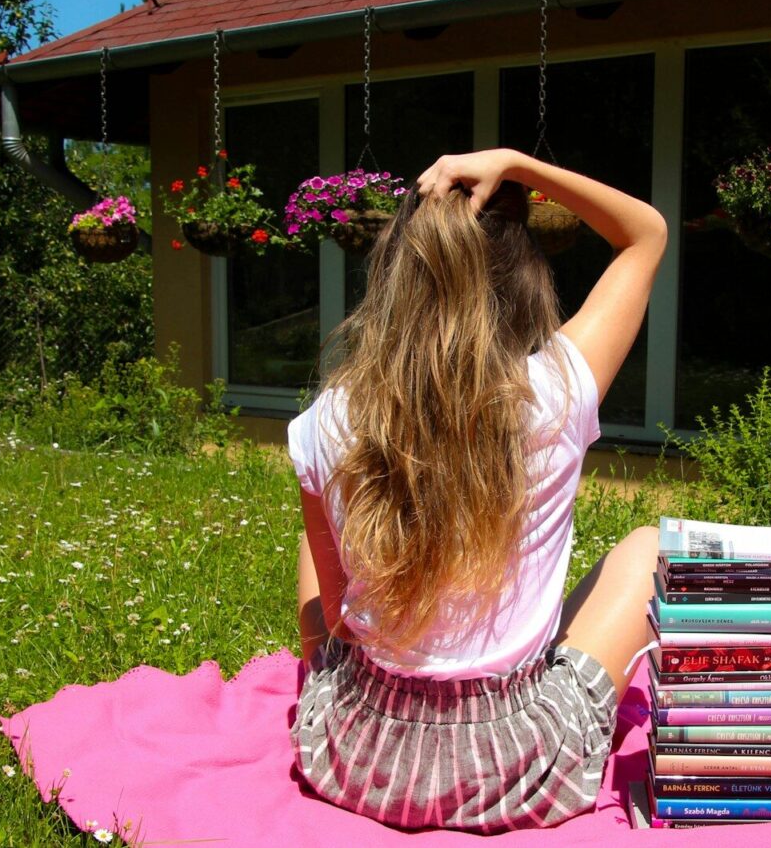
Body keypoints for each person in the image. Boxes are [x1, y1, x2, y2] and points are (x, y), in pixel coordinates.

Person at [286, 147, 667, 833]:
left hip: (355, 757)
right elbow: (645, 233)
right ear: (523, 280)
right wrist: (522, 165)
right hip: (515, 766)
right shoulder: (557, 393)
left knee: (320, 493)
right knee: (649, 548)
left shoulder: (327, 421)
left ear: (395, 278)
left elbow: (332, 613)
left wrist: (330, 679)